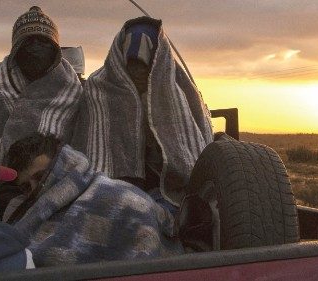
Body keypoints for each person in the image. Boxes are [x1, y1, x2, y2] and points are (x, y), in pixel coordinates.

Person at [72, 17, 213, 209]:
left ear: (158, 61)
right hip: (107, 188)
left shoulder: (177, 93)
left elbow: (187, 155)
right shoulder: (99, 90)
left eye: (145, 64)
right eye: (132, 63)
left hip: (164, 188)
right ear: (120, 58)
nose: (138, 71)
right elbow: (91, 153)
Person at [2, 133, 183, 267]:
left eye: (42, 177)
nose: (35, 189)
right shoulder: (24, 213)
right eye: (26, 186)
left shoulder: (120, 198)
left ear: (63, 165)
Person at [0, 6, 82, 165]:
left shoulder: (73, 93)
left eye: (43, 41)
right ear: (17, 49)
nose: (36, 47)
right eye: (29, 41)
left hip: (54, 179)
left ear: (55, 49)